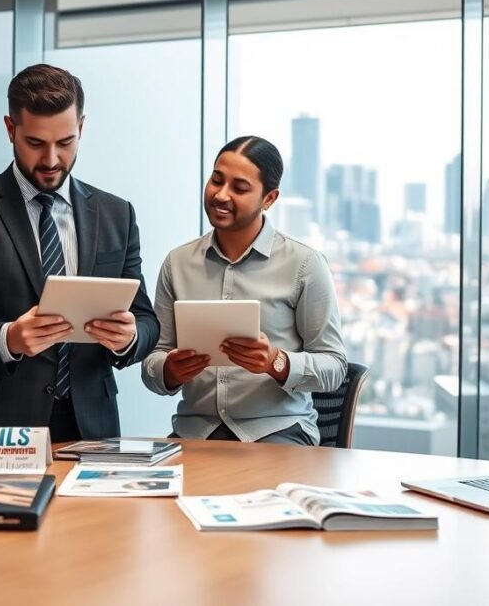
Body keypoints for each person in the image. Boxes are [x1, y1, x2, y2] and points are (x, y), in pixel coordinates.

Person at [0, 63, 159, 453]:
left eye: (65, 142)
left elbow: (147, 320)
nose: (51, 159)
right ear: (10, 129)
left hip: (92, 426)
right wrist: (9, 339)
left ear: (81, 128)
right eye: (35, 143)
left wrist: (129, 337)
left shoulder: (118, 214)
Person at [141, 135, 347, 445]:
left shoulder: (304, 265)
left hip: (276, 432)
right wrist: (169, 369)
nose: (221, 195)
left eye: (239, 188)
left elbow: (335, 368)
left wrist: (276, 361)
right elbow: (152, 363)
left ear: (269, 199)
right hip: (195, 434)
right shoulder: (178, 263)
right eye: (216, 180)